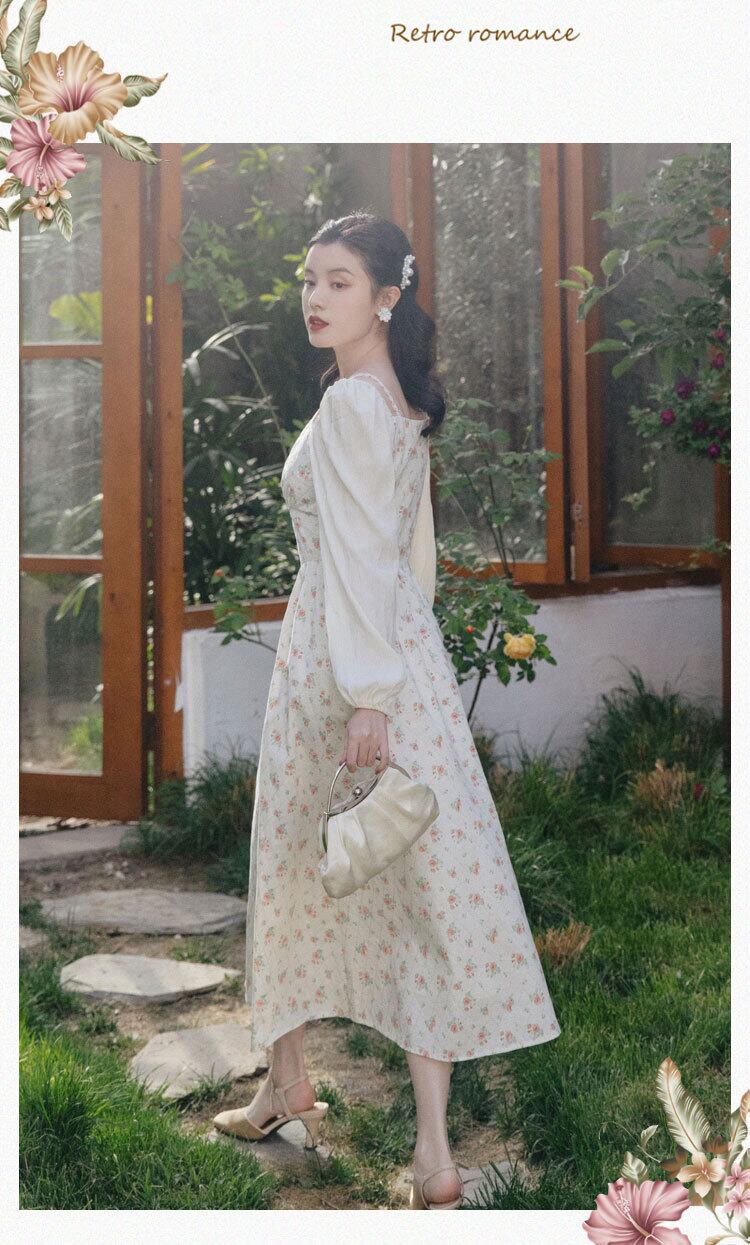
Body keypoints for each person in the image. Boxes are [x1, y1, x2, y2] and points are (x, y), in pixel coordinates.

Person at [213, 211, 561, 1209]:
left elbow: (369, 555)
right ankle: (371, 1125)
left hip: (347, 663)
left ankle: (355, 1115)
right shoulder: (392, 402)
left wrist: (370, 696)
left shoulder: (352, 409)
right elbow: (412, 557)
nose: (316, 298)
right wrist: (405, 667)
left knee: (313, 869)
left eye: (339, 281)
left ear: (387, 297)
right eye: (309, 280)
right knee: (414, 887)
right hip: (390, 648)